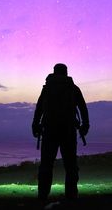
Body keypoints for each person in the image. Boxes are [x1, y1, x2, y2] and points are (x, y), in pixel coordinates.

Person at [31, 63, 90, 201]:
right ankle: (71, 196)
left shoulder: (47, 88)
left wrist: (35, 125)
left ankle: (42, 196)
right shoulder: (73, 88)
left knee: (46, 164)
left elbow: (39, 108)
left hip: (49, 130)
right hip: (68, 131)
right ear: (66, 72)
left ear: (54, 72)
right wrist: (85, 125)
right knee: (70, 165)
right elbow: (83, 108)